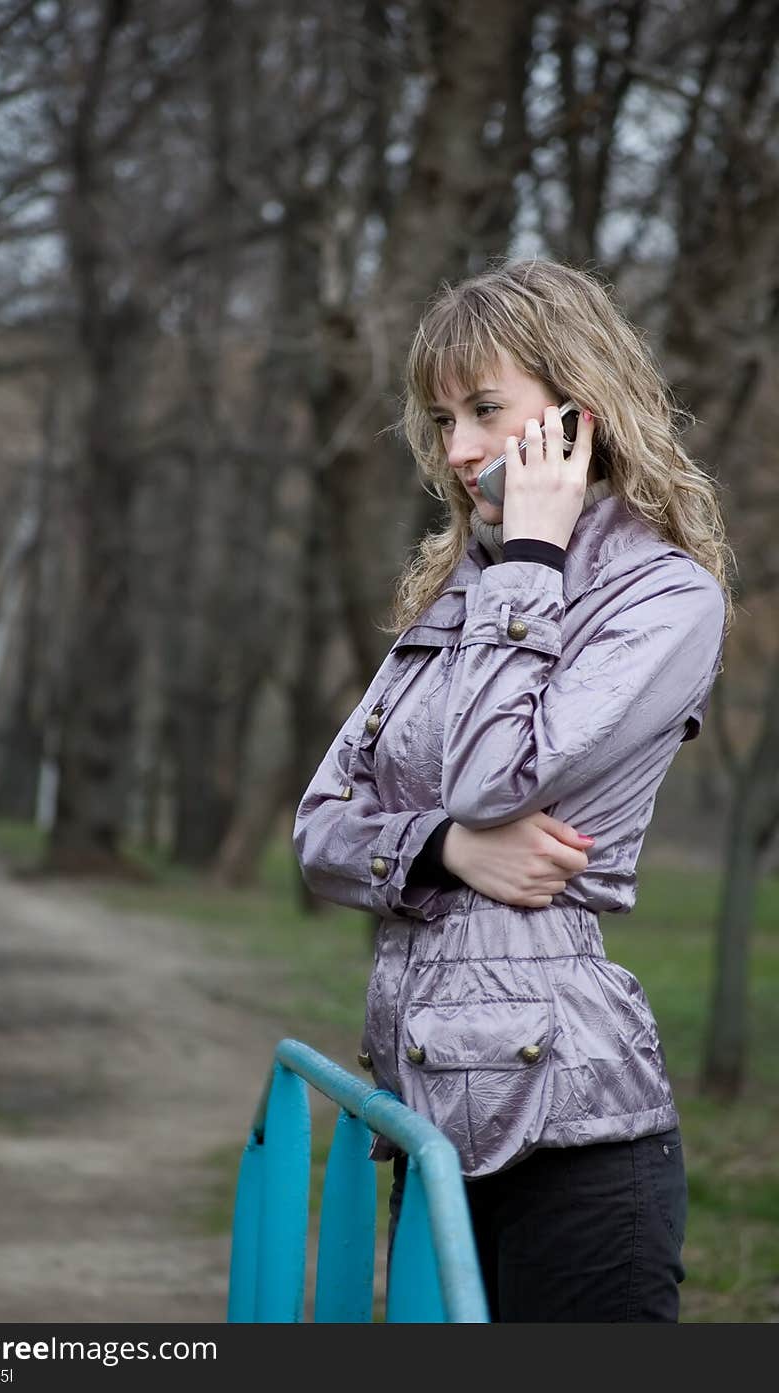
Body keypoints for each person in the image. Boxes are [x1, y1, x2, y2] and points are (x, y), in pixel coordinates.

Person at [292, 258, 734, 1323]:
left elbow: (499, 777)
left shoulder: (664, 596)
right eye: (441, 418)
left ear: (576, 414)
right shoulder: (462, 593)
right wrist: (446, 849)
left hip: (576, 1137)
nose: (456, 449)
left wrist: (532, 557)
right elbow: (318, 831)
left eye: (485, 409)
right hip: (431, 1117)